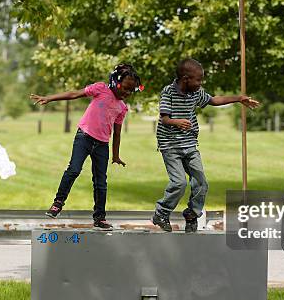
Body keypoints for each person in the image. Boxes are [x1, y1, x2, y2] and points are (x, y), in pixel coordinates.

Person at [152, 58, 259, 233]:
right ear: (186, 79)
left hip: (190, 144)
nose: (201, 83)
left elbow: (214, 100)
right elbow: (164, 118)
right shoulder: (168, 92)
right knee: (179, 183)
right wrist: (177, 122)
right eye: (198, 80)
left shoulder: (196, 92)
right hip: (170, 145)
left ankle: (192, 214)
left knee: (201, 183)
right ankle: (161, 213)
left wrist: (239, 98)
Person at [30, 63, 143, 228]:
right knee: (74, 170)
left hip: (102, 144)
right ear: (115, 81)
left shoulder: (122, 108)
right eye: (125, 88)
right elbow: (74, 94)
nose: (127, 93)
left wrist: (116, 155)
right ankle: (58, 203)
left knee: (100, 182)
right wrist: (49, 98)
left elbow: (117, 133)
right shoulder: (101, 89)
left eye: (131, 91)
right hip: (84, 137)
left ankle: (100, 217)